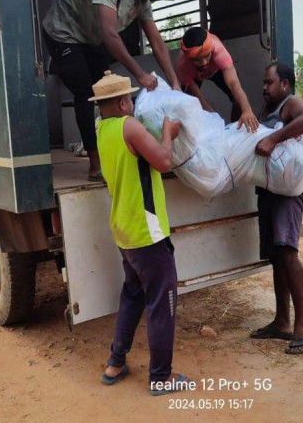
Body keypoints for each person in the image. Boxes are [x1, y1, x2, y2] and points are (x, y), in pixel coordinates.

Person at [91, 71, 189, 395]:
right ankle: (161, 377)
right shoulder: (129, 126)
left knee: (133, 293)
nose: (133, 103)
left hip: (124, 230)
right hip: (148, 233)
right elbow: (163, 161)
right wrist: (168, 131)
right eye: (130, 99)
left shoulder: (101, 128)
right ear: (121, 102)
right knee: (162, 301)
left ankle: (115, 363)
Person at [42, 0, 181, 181]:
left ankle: (115, 152)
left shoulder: (142, 2)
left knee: (108, 91)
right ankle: (95, 162)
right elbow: (110, 34)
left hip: (91, 37)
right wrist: (140, 74)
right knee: (85, 92)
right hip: (63, 32)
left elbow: (158, 43)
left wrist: (175, 83)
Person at [249, 61, 303, 354]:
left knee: (288, 252)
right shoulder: (265, 109)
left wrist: (274, 138)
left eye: (269, 82)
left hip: (288, 192)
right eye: (264, 83)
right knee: (277, 255)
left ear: (285, 84)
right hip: (269, 190)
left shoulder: (290, 104)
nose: (264, 87)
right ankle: (282, 321)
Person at [176, 27, 259, 131]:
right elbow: (200, 101)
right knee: (192, 106)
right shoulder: (183, 66)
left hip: (217, 69)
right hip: (194, 75)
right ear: (190, 58)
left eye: (207, 56)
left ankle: (235, 129)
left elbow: (234, 84)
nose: (204, 62)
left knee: (237, 98)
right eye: (198, 60)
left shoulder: (218, 50)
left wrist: (247, 110)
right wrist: (214, 120)